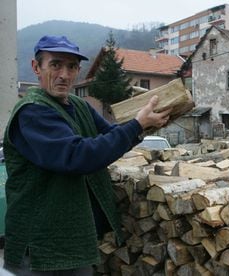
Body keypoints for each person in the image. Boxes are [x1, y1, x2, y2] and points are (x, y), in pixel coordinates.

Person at [2, 35, 171, 275]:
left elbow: (111, 136)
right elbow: (77, 156)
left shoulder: (78, 105)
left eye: (71, 67)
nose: (64, 74)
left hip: (74, 239)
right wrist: (136, 125)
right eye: (55, 64)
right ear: (36, 67)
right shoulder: (32, 111)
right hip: (39, 246)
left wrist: (149, 122)